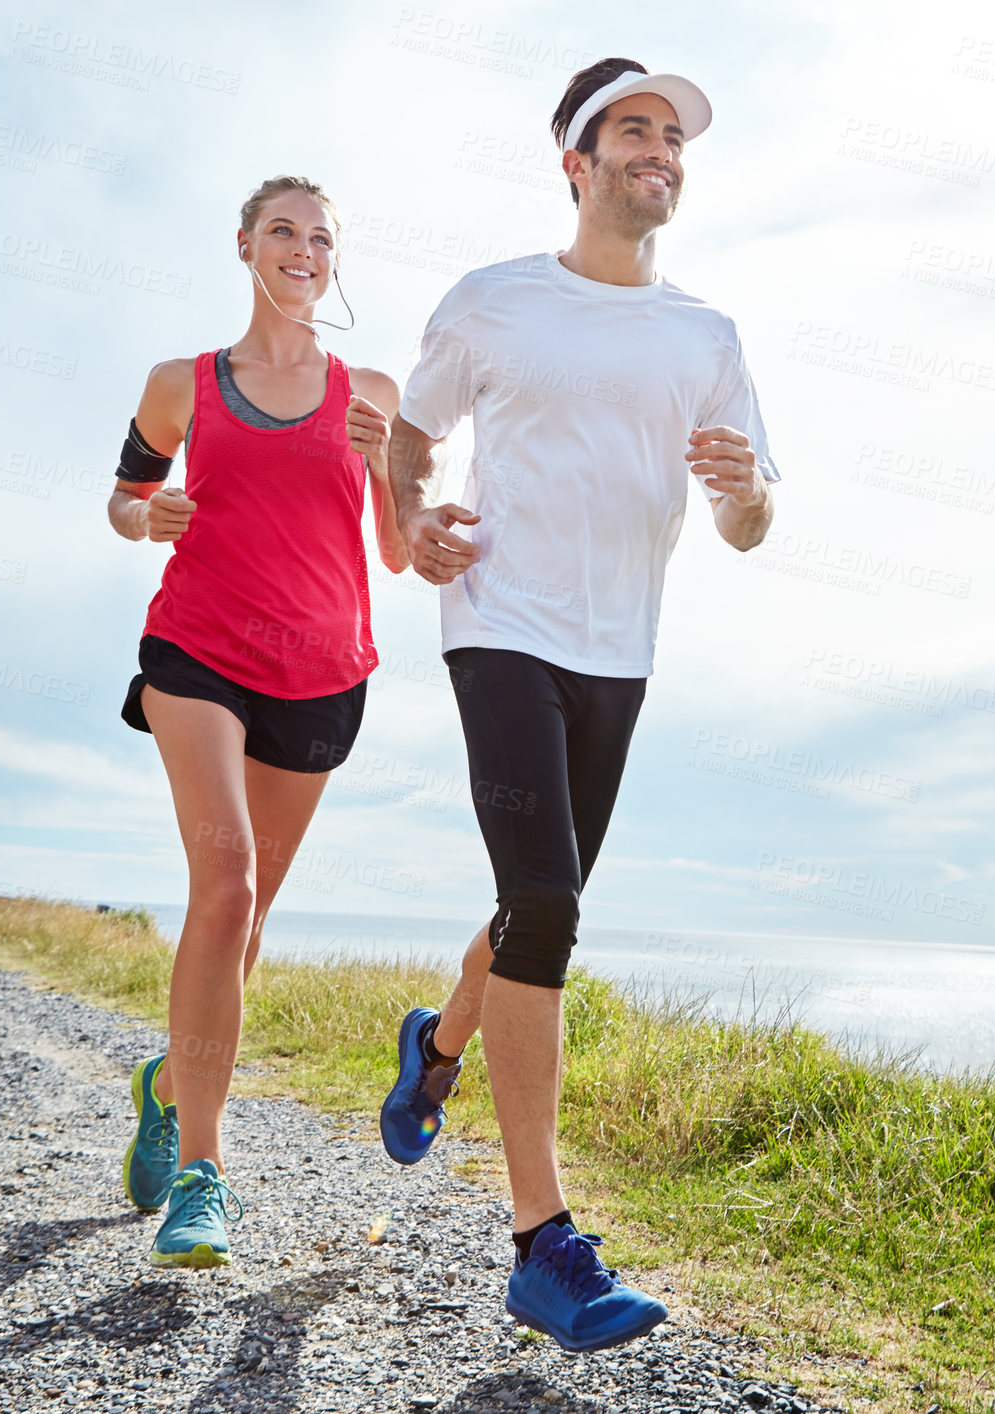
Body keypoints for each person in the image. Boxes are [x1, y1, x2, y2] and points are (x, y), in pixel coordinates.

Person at [379, 59, 780, 1351]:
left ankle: (434, 1046)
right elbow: (409, 434)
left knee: (526, 905)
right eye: (633, 129)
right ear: (576, 162)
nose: (659, 148)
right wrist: (411, 523)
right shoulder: (493, 303)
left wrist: (737, 487)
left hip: (620, 651)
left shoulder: (705, 337)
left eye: (673, 135)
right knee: (548, 901)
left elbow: (752, 520)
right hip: (498, 624)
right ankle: (542, 1244)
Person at [110, 175, 408, 1267]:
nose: (302, 249)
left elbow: (400, 550)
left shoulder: (370, 386)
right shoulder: (180, 383)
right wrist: (149, 516)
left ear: (334, 260)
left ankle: (164, 1077)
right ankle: (204, 1170)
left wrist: (383, 463)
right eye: (282, 230)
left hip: (322, 670)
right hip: (198, 648)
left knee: (250, 917)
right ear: (245, 246)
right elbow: (122, 495)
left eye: (320, 236)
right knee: (224, 881)